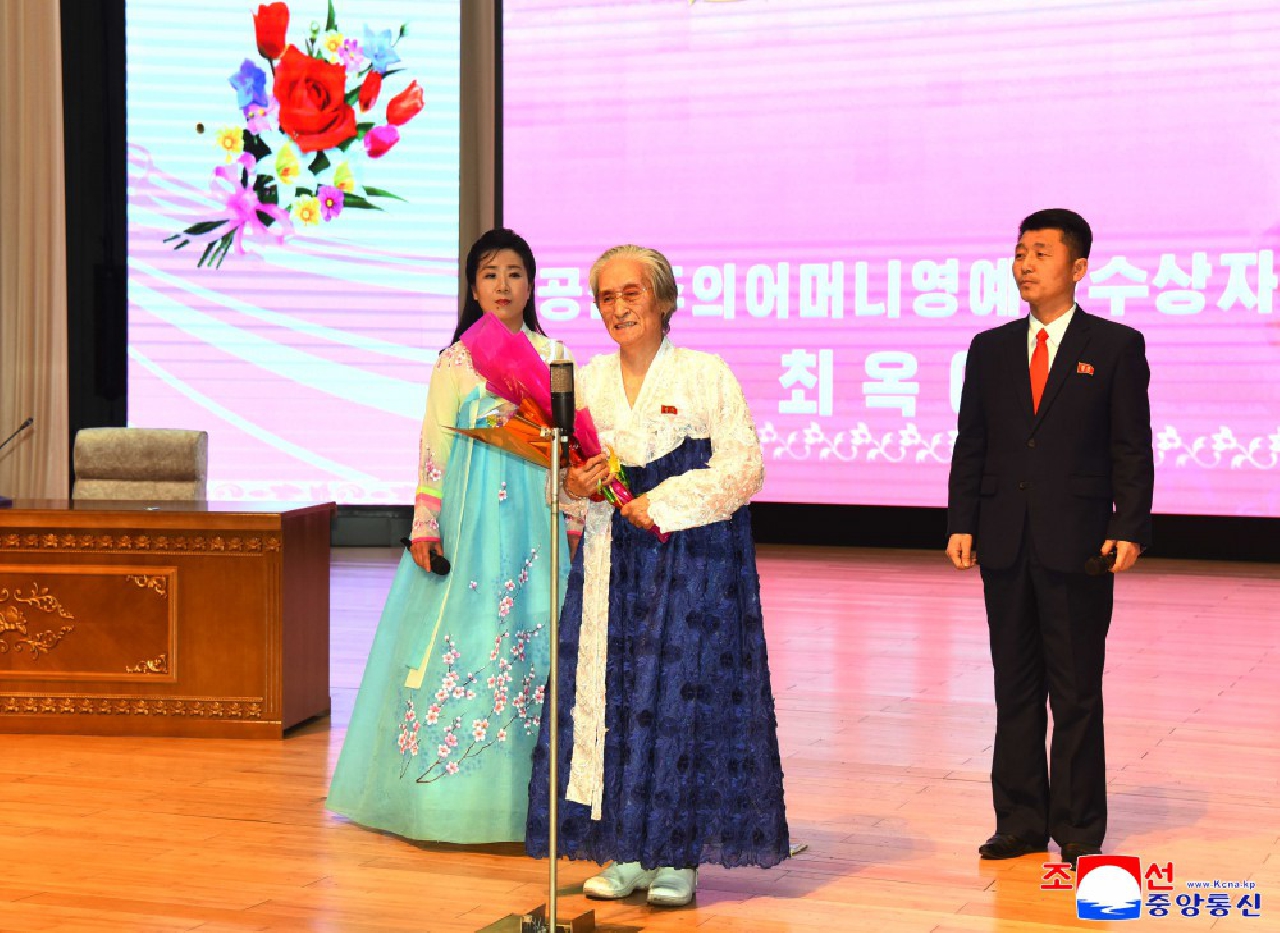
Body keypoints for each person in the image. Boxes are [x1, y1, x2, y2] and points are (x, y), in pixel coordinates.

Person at [525, 244, 790, 907]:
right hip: (611, 565)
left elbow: (744, 466)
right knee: (614, 696)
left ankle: (676, 855)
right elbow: (562, 484)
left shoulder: (705, 374)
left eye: (631, 292)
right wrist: (576, 483)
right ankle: (625, 848)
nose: (618, 307)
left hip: (693, 564)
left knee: (680, 701)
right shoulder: (586, 381)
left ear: (665, 300)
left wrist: (663, 502)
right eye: (606, 297)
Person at [327, 228, 579, 843]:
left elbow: (569, 444)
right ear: (473, 287)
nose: (503, 285)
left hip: (537, 522)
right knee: (466, 637)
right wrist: (426, 524)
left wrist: (573, 516)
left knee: (538, 634)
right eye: (490, 274)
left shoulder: (554, 355)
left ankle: (545, 797)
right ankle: (447, 796)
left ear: (531, 285)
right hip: (470, 524)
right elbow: (434, 445)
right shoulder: (456, 361)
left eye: (514, 274)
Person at [946, 209, 1154, 869]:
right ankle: (1020, 822)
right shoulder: (990, 348)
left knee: (1075, 691)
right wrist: (962, 518)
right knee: (1014, 688)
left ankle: (1079, 826)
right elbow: (972, 442)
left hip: (1079, 542)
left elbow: (1131, 446)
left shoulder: (1115, 345)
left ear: (1078, 266)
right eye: (1019, 252)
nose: (1025, 264)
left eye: (1040, 252)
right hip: (1005, 539)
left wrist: (1129, 525)